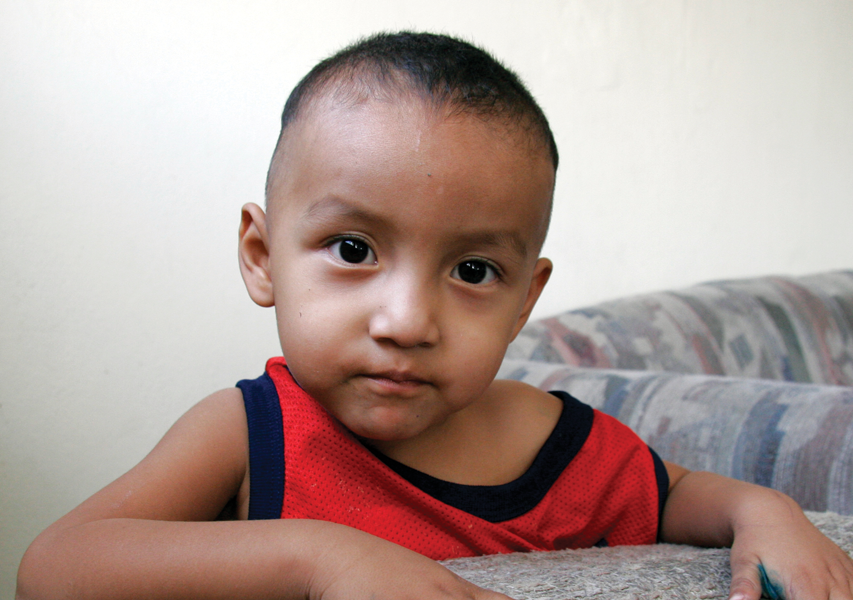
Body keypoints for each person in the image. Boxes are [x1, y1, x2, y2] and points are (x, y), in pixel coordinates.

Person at [17, 31, 853, 600]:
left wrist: (765, 513)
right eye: (353, 250)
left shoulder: (561, 447)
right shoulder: (250, 431)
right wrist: (323, 558)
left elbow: (677, 494)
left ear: (524, 301)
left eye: (473, 271)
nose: (407, 320)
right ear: (262, 256)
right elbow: (54, 566)